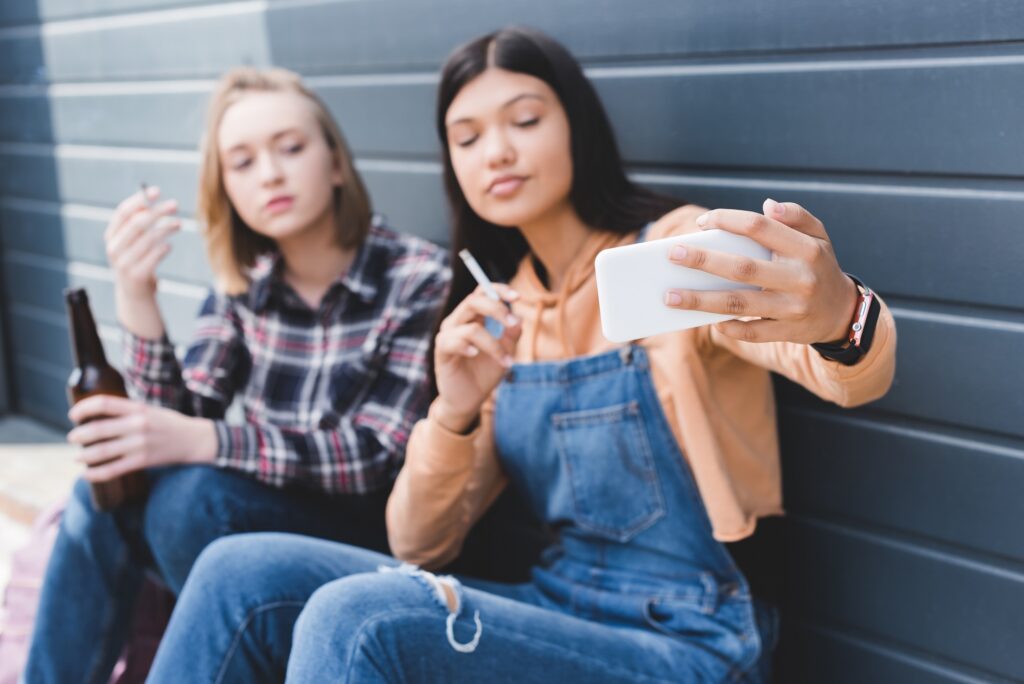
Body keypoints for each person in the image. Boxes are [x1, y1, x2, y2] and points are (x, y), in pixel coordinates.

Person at [147, 27, 896, 683]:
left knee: (357, 618)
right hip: (559, 610)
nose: (497, 150)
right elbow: (418, 541)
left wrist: (840, 313)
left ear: (577, 127)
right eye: (467, 138)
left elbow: (847, 373)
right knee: (235, 569)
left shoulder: (673, 250)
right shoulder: (500, 315)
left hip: (696, 638)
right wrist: (455, 409)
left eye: (525, 120)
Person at [22, 67, 449, 683]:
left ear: (335, 162)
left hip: (364, 534)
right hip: (248, 514)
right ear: (225, 189)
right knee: (101, 491)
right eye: (242, 162)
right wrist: (137, 298)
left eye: (291, 147)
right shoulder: (246, 283)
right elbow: (179, 419)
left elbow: (377, 454)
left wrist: (210, 441)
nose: (270, 173)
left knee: (189, 500)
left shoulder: (416, 277)